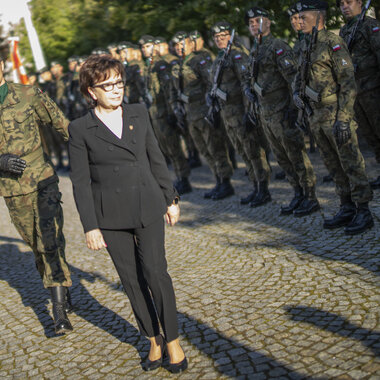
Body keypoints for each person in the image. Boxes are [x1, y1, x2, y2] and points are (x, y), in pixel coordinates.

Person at [68, 54, 187, 373]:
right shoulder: (80, 129)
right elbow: (80, 182)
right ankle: (153, 339)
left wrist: (170, 198)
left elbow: (156, 158)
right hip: (111, 217)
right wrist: (90, 226)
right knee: (132, 281)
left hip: (147, 204)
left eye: (119, 82)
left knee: (156, 273)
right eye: (107, 85)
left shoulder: (139, 113)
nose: (116, 89)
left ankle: (173, 340)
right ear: (91, 91)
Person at [0, 43, 73, 334]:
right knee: (37, 247)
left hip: (42, 178)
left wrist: (95, 152)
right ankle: (62, 286)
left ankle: (59, 315)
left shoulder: (27, 93)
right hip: (12, 189)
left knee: (49, 241)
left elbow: (61, 123)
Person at [293, 0, 374, 234]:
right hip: (316, 116)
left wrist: (344, 117)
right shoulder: (307, 44)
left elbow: (348, 81)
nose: (298, 21)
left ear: (319, 17)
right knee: (332, 164)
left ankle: (363, 209)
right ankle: (346, 206)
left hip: (335, 114)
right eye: (297, 17)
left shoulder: (332, 42)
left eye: (303, 17)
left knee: (351, 162)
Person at [244, 6, 320, 217]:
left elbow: (293, 78)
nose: (253, 26)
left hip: (282, 113)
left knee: (296, 154)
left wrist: (293, 109)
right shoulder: (254, 50)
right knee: (282, 157)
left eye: (257, 21)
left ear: (268, 22)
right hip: (266, 114)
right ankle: (297, 193)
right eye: (250, 23)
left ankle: (310, 196)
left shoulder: (278, 46)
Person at [209, 21, 271, 207]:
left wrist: (249, 112)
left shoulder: (237, 55)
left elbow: (246, 84)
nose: (220, 40)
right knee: (244, 153)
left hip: (240, 113)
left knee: (253, 152)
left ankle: (263, 189)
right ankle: (255, 186)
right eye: (217, 37)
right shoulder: (220, 57)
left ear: (231, 36)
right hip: (228, 116)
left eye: (223, 36)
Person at [170, 31, 234, 199]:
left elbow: (210, 83)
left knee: (215, 148)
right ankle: (218, 180)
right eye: (176, 45)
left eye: (182, 43)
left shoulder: (199, 60)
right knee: (204, 150)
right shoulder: (178, 64)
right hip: (190, 115)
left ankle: (226, 182)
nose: (179, 47)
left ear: (191, 44)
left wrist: (211, 107)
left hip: (204, 111)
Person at [139, 35, 192, 195]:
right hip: (155, 113)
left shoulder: (164, 63)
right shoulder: (150, 65)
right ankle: (178, 177)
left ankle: (184, 178)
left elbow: (169, 90)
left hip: (164, 112)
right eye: (143, 47)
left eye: (148, 46)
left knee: (174, 147)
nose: (145, 50)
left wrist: (172, 113)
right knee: (166, 148)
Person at [338, 0, 380, 189]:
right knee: (371, 136)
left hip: (373, 90)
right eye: (341, 4)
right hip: (356, 93)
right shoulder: (344, 31)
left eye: (349, 2)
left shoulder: (371, 26)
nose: (345, 6)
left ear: (360, 3)